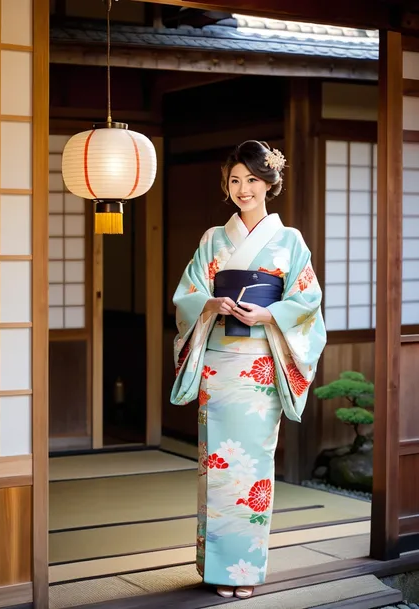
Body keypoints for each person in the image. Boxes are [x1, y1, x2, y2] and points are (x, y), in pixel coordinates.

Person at [170, 140, 326, 599]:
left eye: (252, 180)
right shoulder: (212, 240)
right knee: (216, 467)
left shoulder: (290, 241)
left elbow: (308, 300)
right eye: (235, 180)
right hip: (218, 365)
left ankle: (245, 571)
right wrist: (210, 303)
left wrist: (269, 314)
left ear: (269, 184)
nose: (243, 189)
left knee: (253, 465)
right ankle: (218, 570)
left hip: (261, 367)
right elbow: (187, 294)